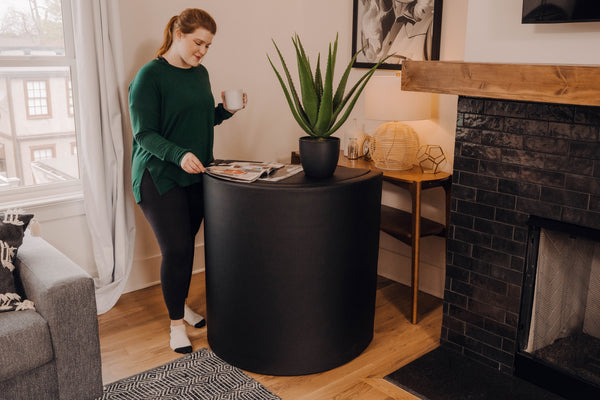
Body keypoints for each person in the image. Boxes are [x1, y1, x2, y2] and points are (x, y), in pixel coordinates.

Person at [128, 8, 246, 354]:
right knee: (177, 248)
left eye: (208, 46)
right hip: (159, 175)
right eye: (198, 43)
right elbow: (144, 134)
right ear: (178, 35)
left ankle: (180, 304)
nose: (203, 51)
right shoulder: (149, 76)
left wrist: (225, 112)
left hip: (196, 173)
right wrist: (177, 154)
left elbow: (197, 122)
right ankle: (176, 325)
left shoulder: (200, 74)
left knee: (187, 246)